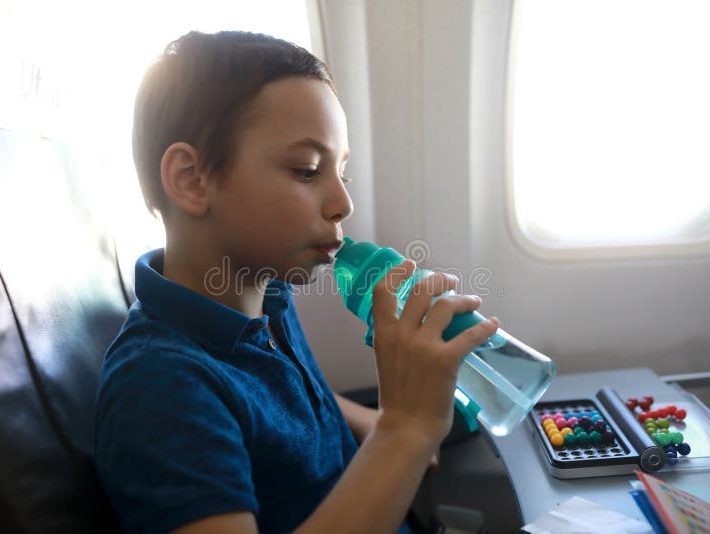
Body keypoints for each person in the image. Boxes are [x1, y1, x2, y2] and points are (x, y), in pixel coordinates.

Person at [93, 30, 499, 534]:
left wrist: (365, 421)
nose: (343, 204)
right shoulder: (160, 389)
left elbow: (284, 404)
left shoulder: (267, 297)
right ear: (192, 179)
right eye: (306, 170)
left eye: (341, 172)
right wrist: (405, 430)